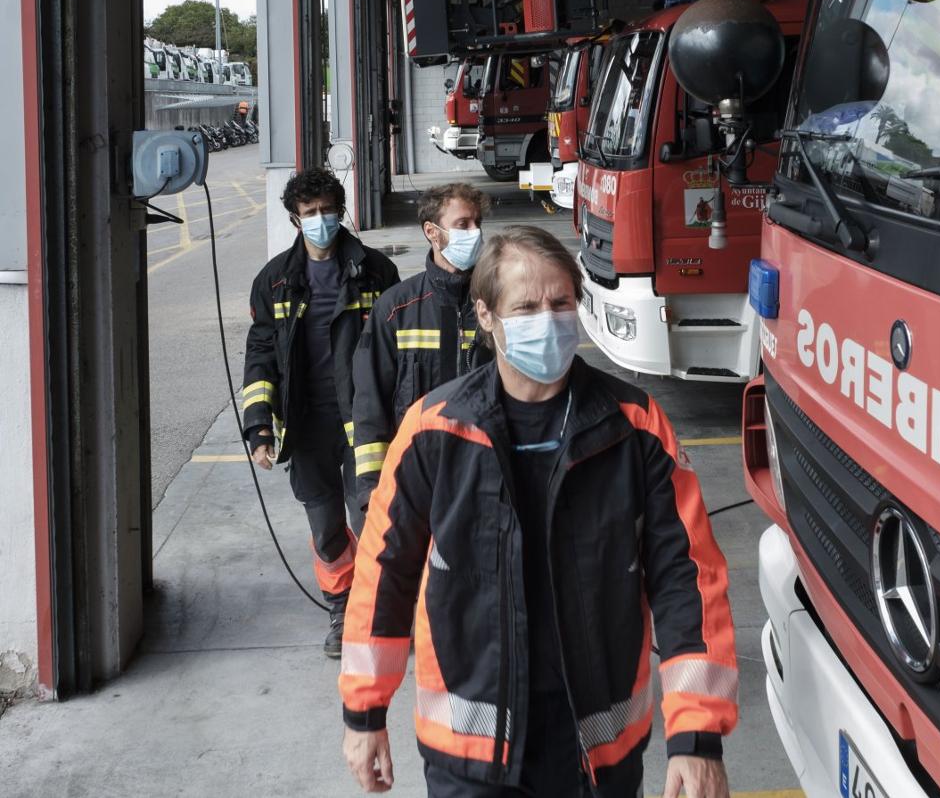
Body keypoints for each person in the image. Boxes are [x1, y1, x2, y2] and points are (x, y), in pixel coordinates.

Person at [339, 226, 737, 798]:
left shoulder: (635, 428)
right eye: (525, 307)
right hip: (470, 757)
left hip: (596, 750)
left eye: (561, 303)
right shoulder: (434, 430)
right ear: (486, 315)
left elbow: (688, 578)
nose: (547, 320)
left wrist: (696, 736)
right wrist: (364, 713)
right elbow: (384, 575)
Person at [242, 169, 400, 658]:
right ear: (295, 219)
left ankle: (377, 609)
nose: (320, 220)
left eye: (327, 210)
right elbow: (261, 355)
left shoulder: (376, 271)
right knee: (326, 527)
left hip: (366, 423)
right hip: (307, 425)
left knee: (372, 515)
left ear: (341, 209)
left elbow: (394, 351)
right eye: (309, 213)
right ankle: (341, 608)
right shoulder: (274, 282)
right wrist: (259, 426)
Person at [350, 183, 493, 513]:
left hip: (485, 475)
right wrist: (372, 487)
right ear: (432, 231)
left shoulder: (497, 301)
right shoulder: (396, 309)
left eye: (477, 224)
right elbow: (370, 402)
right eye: (463, 225)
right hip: (416, 479)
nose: (474, 233)